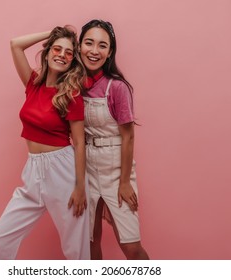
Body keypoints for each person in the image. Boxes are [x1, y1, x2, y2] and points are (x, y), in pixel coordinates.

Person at [0, 26, 90, 260]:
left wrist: (80, 187)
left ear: (73, 60)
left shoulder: (71, 94)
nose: (62, 54)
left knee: (76, 250)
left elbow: (80, 143)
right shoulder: (33, 83)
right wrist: (52, 33)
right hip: (33, 170)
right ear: (48, 51)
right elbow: (15, 44)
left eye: (69, 52)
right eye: (57, 48)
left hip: (63, 171)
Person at [79, 19, 149, 259]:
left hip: (116, 167)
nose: (94, 51)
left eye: (102, 45)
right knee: (90, 241)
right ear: (79, 47)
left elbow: (128, 137)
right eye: (89, 43)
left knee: (131, 246)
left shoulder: (117, 87)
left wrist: (124, 183)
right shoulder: (74, 85)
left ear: (109, 52)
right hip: (86, 165)